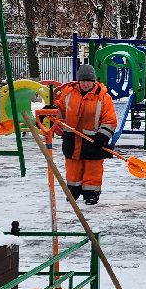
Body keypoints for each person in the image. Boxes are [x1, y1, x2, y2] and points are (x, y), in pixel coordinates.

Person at [52, 62, 117, 205]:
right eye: (83, 81)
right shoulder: (68, 93)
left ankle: (91, 194)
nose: (86, 84)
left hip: (93, 140)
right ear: (78, 81)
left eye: (89, 81)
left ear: (93, 81)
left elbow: (110, 119)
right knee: (73, 168)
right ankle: (72, 192)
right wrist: (52, 114)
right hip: (72, 138)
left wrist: (103, 135)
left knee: (92, 168)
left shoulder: (103, 97)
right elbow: (60, 110)